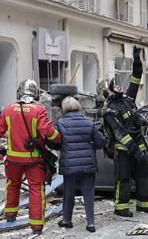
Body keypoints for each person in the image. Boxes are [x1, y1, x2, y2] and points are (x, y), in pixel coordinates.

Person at [0, 79, 61, 235]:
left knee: (12, 185)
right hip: (34, 160)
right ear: (35, 93)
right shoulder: (39, 110)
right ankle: (36, 226)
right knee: (36, 190)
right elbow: (49, 132)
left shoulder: (8, 110)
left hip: (13, 160)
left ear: (19, 92)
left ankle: (10, 215)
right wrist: (58, 138)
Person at [100, 46, 148, 217]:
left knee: (144, 175)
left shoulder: (128, 99)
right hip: (124, 150)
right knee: (123, 179)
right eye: (115, 85)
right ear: (108, 91)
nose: (119, 86)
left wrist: (136, 60)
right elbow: (120, 134)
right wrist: (136, 151)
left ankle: (145, 205)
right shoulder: (110, 111)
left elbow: (136, 77)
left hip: (138, 145)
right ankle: (121, 209)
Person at [55, 96, 106, 232]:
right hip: (87, 163)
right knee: (88, 193)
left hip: (69, 164)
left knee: (69, 193)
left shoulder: (60, 123)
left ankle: (67, 220)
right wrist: (90, 148)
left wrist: (63, 147)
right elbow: (101, 141)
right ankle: (90, 223)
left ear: (64, 108)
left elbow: (54, 142)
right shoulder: (89, 122)